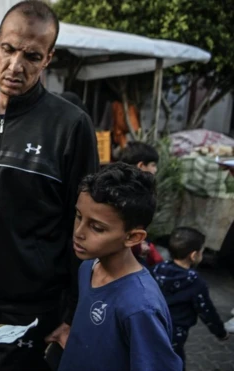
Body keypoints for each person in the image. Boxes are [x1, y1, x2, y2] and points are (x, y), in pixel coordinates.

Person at [0, 1, 99, 369]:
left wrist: (72, 312)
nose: (15, 66)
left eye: (32, 56)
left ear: (48, 58)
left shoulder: (70, 125)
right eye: (9, 49)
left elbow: (84, 225)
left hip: (34, 313)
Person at [59, 163, 182, 371]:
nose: (79, 232)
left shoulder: (140, 306)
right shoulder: (88, 267)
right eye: (79, 216)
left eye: (97, 228)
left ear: (133, 237)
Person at [152, 227, 229, 367]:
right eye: (202, 251)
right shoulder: (195, 283)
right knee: (174, 362)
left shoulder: (157, 269)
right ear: (194, 255)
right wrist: (221, 332)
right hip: (175, 334)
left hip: (150, 325)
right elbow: (207, 311)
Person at [118, 141, 164, 267]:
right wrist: (139, 245)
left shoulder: (118, 183)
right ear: (141, 165)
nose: (155, 170)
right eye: (153, 165)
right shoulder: (135, 193)